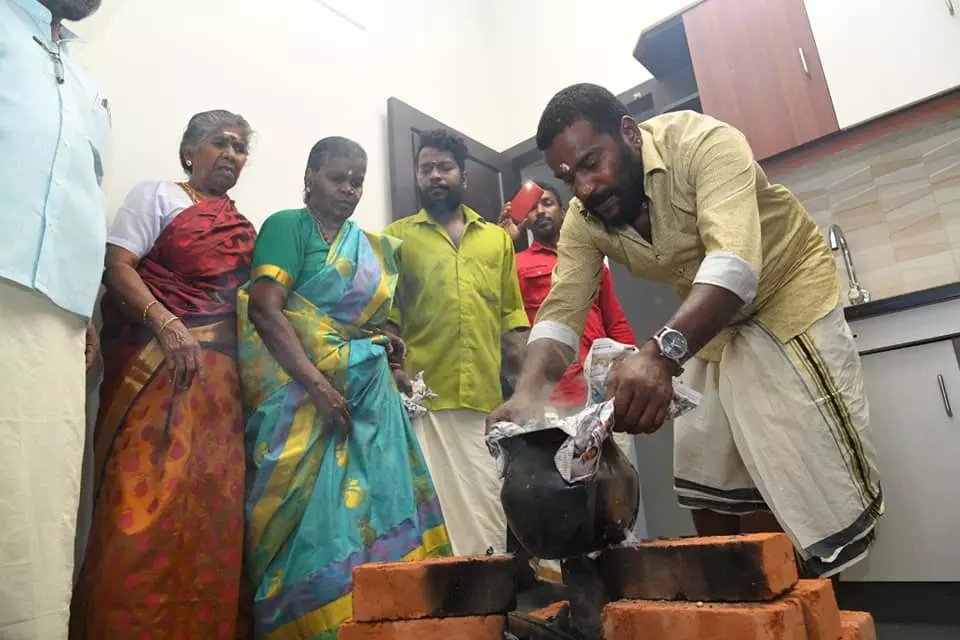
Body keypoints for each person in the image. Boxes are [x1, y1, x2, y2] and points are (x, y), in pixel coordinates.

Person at [489, 83, 882, 578]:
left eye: (591, 163)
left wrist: (656, 357)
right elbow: (561, 313)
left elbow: (734, 265)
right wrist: (525, 396)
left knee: (803, 476)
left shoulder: (704, 144)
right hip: (710, 330)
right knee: (709, 482)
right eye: (569, 177)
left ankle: (816, 605)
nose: (583, 188)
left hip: (786, 303)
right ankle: (750, 602)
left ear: (629, 133)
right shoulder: (584, 219)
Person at [240, 137, 451, 639]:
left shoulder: (370, 247)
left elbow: (372, 328)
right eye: (338, 178)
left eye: (357, 181)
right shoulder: (287, 226)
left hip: (368, 406)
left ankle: (389, 622)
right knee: (307, 529)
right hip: (300, 403)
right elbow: (265, 310)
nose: (349, 189)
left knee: (381, 507)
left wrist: (393, 361)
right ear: (310, 177)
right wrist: (319, 388)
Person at [71, 110, 257, 639]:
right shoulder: (157, 195)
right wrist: (166, 322)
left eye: (240, 148)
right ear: (189, 151)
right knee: (139, 511)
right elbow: (117, 266)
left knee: (212, 518)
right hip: (155, 372)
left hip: (221, 395)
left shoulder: (245, 229)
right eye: (220, 143)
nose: (231, 154)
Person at [0, 1, 108, 637]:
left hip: (59, 315)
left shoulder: (87, 81)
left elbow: (82, 194)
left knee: (38, 509)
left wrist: (87, 302)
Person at [383, 129, 530, 557]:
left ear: (462, 177)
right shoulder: (395, 238)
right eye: (425, 168)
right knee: (427, 524)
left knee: (486, 521)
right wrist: (394, 369)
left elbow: (512, 322)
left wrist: (527, 394)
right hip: (421, 402)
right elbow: (387, 319)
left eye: (444, 167)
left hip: (484, 406)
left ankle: (483, 600)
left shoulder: (497, 240)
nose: (434, 175)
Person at [499, 181, 638, 413]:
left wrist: (632, 367)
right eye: (532, 208)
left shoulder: (590, 260)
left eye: (547, 203)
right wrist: (503, 241)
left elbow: (615, 320)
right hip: (551, 394)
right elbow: (499, 316)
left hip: (601, 385)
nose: (540, 211)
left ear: (563, 213)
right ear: (525, 220)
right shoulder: (516, 265)